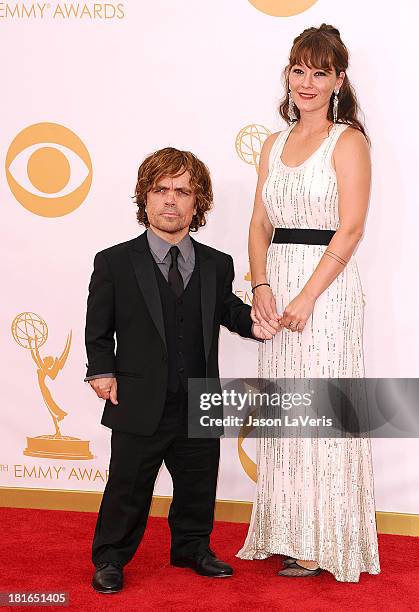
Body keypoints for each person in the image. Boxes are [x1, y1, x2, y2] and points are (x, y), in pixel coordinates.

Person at [85, 147, 278, 593]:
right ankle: (110, 558)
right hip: (136, 395)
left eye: (183, 191)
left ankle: (193, 547)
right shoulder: (113, 261)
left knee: (198, 480)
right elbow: (99, 325)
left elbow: (228, 310)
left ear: (198, 203)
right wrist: (100, 369)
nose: (171, 200)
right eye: (161, 190)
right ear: (145, 198)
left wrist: (257, 322)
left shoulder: (216, 263)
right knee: (128, 487)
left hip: (200, 395)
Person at [236, 24, 381, 582]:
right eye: (299, 70)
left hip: (326, 290)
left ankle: (327, 538)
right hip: (277, 289)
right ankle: (290, 529)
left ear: (339, 79)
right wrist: (263, 289)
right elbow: (258, 224)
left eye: (320, 72)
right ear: (289, 75)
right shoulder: (272, 144)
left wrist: (305, 296)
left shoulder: (349, 141)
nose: (307, 82)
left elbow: (350, 230)